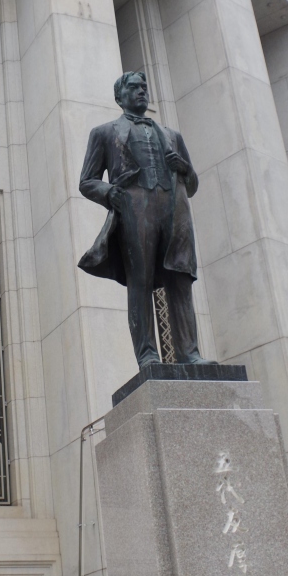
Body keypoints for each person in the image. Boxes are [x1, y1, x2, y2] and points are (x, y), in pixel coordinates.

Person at [78, 71, 214, 367]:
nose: (141, 91)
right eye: (134, 87)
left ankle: (189, 354)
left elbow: (191, 186)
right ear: (120, 97)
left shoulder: (172, 136)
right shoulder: (104, 133)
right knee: (140, 280)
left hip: (174, 211)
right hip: (134, 209)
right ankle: (148, 354)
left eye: (144, 87)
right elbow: (87, 181)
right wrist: (109, 192)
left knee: (180, 280)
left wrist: (185, 169)